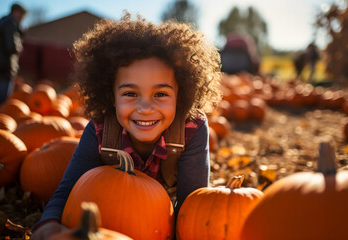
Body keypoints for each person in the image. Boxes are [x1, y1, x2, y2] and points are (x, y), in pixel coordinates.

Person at [30, 12, 222, 239]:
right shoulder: (100, 129)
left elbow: (191, 206)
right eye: (130, 93)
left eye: (160, 93)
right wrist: (47, 225)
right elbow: (68, 190)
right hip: (106, 220)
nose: (145, 108)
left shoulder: (192, 129)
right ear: (111, 97)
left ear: (180, 97)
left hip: (156, 220)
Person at [0, 3, 27, 107]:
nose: (22, 19)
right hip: (4, 68)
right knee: (2, 102)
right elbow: (11, 46)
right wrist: (18, 47)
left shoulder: (2, 22)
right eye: (22, 15)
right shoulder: (10, 24)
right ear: (16, 12)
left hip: (0, 66)